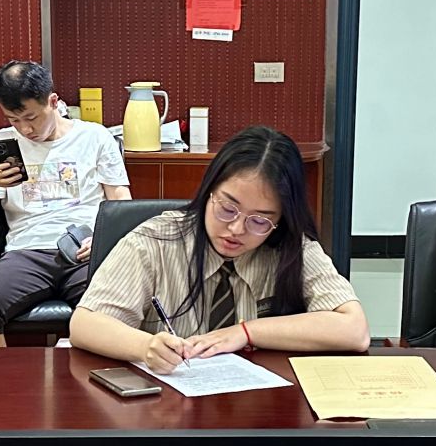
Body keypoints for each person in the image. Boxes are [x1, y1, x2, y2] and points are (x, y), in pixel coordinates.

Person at [72, 125, 367, 370]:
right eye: (227, 208)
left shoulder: (293, 248)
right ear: (209, 191)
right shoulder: (155, 241)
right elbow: (85, 324)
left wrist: (245, 332)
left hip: (264, 410)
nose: (236, 229)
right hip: (168, 410)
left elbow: (354, 330)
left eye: (259, 221)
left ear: (281, 219)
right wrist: (145, 346)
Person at [0, 59, 130, 346]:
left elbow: (121, 204)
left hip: (85, 251)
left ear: (52, 101)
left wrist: (104, 240)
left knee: (117, 302)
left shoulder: (95, 137)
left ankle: (91, 376)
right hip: (26, 252)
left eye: (32, 117)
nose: (25, 129)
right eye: (14, 120)